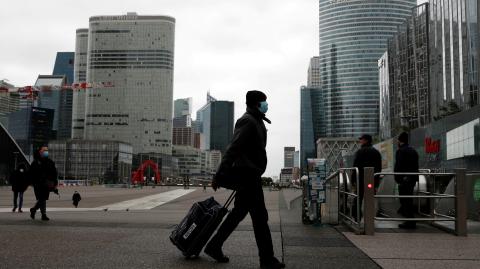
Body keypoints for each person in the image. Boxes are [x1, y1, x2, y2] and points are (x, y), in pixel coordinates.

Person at [205, 91, 285, 269]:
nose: (266, 104)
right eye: (264, 101)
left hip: (250, 176)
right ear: (257, 103)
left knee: (238, 213)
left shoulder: (255, 120)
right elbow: (233, 148)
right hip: (248, 176)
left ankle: (214, 246)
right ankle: (267, 259)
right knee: (260, 218)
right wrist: (219, 175)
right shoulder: (248, 121)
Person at [352, 134, 382, 221]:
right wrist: (376, 182)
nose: (360, 141)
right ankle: (369, 218)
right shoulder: (376, 152)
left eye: (361, 139)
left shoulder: (360, 152)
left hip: (360, 179)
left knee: (358, 198)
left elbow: (355, 167)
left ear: (366, 140)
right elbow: (379, 168)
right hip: (371, 180)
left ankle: (357, 217)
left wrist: (354, 179)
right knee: (369, 199)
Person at [394, 132, 419, 229]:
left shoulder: (401, 151)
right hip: (412, 179)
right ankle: (410, 220)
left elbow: (399, 166)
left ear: (400, 141)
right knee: (409, 199)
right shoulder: (413, 151)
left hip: (404, 180)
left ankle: (410, 221)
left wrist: (399, 178)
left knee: (404, 200)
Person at [29, 146, 58, 221]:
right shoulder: (35, 162)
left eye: (47, 150)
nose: (46, 151)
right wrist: (32, 182)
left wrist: (55, 183)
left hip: (47, 184)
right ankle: (43, 214)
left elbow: (54, 173)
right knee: (42, 198)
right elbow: (31, 173)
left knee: (43, 198)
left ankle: (34, 210)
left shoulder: (50, 162)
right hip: (38, 184)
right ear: (40, 151)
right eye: (44, 150)